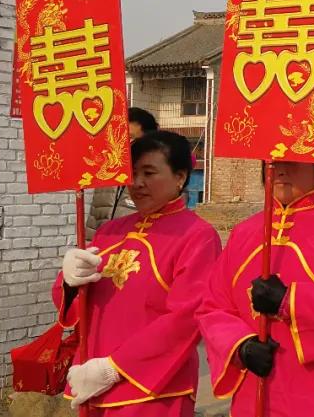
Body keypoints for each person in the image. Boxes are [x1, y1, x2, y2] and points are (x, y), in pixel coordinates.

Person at [197, 159, 314, 417]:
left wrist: (291, 301)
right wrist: (241, 346)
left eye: (292, 163)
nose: (280, 171)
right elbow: (213, 306)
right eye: (272, 164)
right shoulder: (244, 232)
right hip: (254, 399)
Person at [55, 131, 221, 414]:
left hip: (154, 389)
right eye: (132, 173)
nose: (137, 183)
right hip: (90, 378)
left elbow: (185, 319)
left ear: (180, 177)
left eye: (149, 172)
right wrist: (70, 282)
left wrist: (114, 368)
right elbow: (80, 301)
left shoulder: (198, 236)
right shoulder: (110, 230)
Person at [87, 107, 158, 239]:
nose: (122, 144)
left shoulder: (157, 183)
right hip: (102, 254)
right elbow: (93, 223)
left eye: (130, 138)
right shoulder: (107, 176)